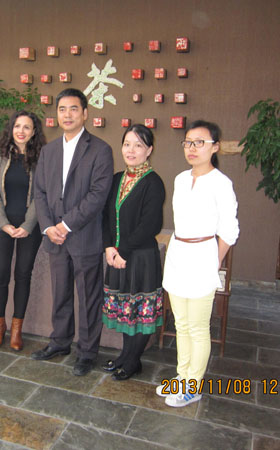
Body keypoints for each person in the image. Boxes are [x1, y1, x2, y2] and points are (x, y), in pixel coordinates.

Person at [32, 88, 114, 376]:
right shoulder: (48, 151)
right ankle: (60, 341)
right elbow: (40, 192)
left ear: (85, 113)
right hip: (54, 237)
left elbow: (97, 195)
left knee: (88, 297)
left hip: (84, 236)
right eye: (62, 109)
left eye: (74, 109)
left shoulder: (100, 150)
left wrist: (65, 225)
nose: (67, 115)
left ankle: (87, 352)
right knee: (61, 293)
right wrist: (47, 227)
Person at [157, 120, 239, 407]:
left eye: (200, 142)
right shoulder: (180, 179)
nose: (192, 148)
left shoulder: (221, 183)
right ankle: (181, 378)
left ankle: (193, 386)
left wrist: (212, 261)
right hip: (178, 254)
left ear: (215, 147)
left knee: (198, 327)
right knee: (180, 324)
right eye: (188, 142)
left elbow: (230, 230)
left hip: (203, 256)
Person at [101, 124, 165, 381]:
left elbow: (151, 225)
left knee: (139, 312)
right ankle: (125, 356)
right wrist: (108, 246)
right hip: (117, 255)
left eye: (138, 145)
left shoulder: (153, 182)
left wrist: (123, 252)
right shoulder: (116, 179)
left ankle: (133, 360)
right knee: (125, 310)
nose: (131, 150)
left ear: (149, 150)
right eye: (127, 144)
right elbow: (105, 217)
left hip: (140, 258)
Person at [0, 111, 46, 351]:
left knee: (23, 274)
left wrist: (27, 226)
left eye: (27, 127)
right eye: (17, 126)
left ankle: (17, 330)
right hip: (2, 223)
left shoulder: (41, 157)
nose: (21, 131)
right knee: (0, 274)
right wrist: (3, 223)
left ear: (34, 132)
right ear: (11, 128)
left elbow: (41, 194)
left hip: (30, 226)